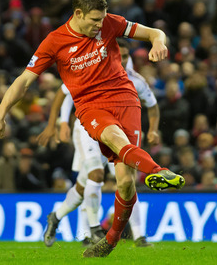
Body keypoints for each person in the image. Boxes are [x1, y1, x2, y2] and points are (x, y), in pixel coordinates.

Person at [0, 0, 184, 257]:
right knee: (112, 142)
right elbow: (24, 80)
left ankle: (110, 241)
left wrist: (159, 42)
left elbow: (153, 32)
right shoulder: (55, 41)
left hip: (126, 98)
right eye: (94, 20)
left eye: (102, 20)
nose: (99, 25)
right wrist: (0, 113)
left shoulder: (109, 23)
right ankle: (157, 170)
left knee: (125, 182)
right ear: (78, 13)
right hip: (91, 107)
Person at [38, 39, 157, 248]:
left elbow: (153, 105)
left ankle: (56, 217)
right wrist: (61, 123)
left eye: (127, 56)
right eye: (119, 53)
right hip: (88, 128)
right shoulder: (91, 66)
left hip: (117, 133)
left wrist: (153, 129)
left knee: (100, 183)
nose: (122, 59)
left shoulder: (135, 80)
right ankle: (93, 230)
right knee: (96, 174)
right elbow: (63, 94)